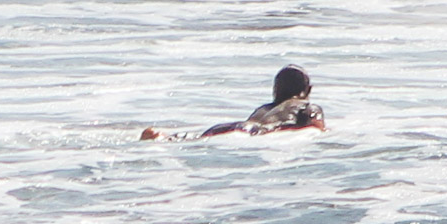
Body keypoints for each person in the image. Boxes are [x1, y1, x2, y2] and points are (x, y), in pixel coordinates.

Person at [139, 65, 326, 141]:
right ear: (308, 90)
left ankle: (162, 135)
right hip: (258, 132)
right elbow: (316, 128)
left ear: (275, 90)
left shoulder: (264, 108)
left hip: (236, 125)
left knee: (196, 138)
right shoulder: (308, 106)